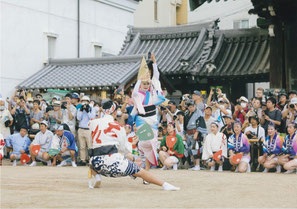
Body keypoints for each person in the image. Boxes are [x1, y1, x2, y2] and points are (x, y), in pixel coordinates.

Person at [88, 100, 179, 191]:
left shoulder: (92, 123)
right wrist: (131, 146)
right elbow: (122, 148)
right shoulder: (118, 127)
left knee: (91, 160)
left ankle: (97, 177)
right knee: (141, 172)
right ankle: (164, 184)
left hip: (96, 164)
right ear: (115, 112)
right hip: (113, 164)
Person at [131, 53, 165, 173]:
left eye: (148, 83)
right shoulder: (137, 94)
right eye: (144, 83)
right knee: (145, 143)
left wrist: (154, 63)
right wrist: (140, 78)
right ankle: (139, 169)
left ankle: (147, 171)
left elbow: (156, 77)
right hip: (142, 120)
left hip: (153, 120)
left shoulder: (152, 94)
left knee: (152, 145)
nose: (146, 85)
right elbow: (135, 90)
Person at [184, 99, 203, 170]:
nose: (190, 108)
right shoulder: (186, 113)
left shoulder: (198, 112)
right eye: (189, 107)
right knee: (190, 149)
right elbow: (185, 124)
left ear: (194, 106)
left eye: (192, 106)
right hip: (188, 133)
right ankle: (194, 164)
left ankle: (197, 165)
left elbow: (200, 123)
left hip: (195, 132)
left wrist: (197, 133)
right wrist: (185, 133)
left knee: (196, 148)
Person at [77, 96, 95, 165]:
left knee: (90, 146)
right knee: (82, 146)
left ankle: (91, 160)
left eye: (86, 101)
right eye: (83, 101)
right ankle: (83, 160)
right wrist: (81, 110)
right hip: (81, 129)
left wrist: (88, 111)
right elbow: (78, 118)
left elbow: (92, 117)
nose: (84, 103)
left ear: (88, 102)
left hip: (88, 129)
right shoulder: (80, 109)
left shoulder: (91, 109)